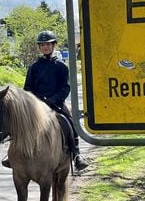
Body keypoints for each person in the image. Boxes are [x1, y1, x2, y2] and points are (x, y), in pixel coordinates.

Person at [5, 30, 89, 172]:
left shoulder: (61, 66)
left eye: (48, 44)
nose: (45, 47)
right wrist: (34, 101)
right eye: (42, 45)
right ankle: (12, 154)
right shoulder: (34, 67)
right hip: (36, 106)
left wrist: (52, 100)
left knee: (69, 122)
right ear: (39, 47)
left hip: (56, 104)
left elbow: (65, 88)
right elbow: (27, 88)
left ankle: (76, 154)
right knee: (19, 122)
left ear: (53, 45)